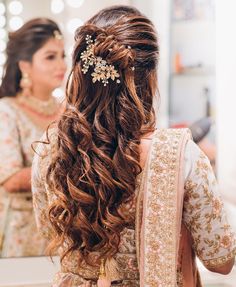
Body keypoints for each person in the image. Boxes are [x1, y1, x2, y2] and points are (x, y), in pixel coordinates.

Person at [31, 5, 235, 287]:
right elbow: (220, 260)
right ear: (150, 75)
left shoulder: (51, 150)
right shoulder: (180, 156)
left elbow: (49, 232)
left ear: (81, 71)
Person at [0, 18, 67, 257]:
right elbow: (9, 178)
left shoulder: (67, 110)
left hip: (64, 230)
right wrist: (69, 168)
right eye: (50, 57)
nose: (61, 65)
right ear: (25, 66)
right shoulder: (6, 111)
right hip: (22, 235)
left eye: (62, 55)